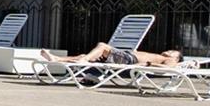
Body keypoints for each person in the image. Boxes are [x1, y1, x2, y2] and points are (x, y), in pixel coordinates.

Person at [40, 43, 182, 67]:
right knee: (88, 55)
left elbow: (169, 69)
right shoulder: (159, 55)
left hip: (129, 60)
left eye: (172, 52)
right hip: (126, 56)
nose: (169, 51)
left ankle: (83, 60)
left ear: (175, 57)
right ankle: (57, 58)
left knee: (102, 46)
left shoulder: (170, 61)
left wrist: (149, 64)